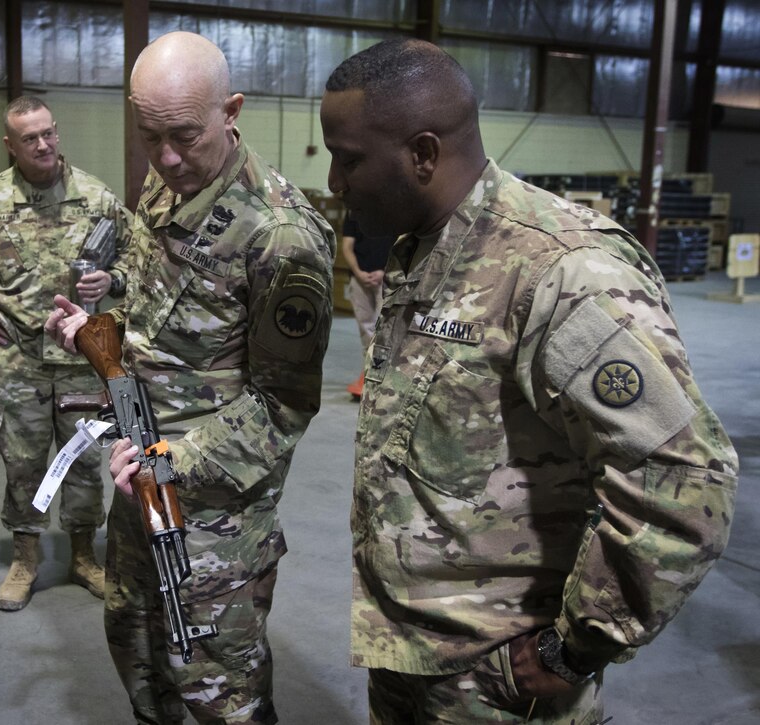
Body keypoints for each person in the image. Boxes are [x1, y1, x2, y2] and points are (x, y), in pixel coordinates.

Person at [320, 39, 739, 724]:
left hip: (499, 685)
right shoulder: (423, 248)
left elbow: (685, 478)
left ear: (423, 154)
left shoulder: (559, 273)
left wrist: (576, 645)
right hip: (410, 657)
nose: (336, 181)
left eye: (349, 158)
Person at [47, 31, 335, 725]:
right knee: (138, 652)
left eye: (184, 136)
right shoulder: (167, 181)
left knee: (215, 688)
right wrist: (96, 331)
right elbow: (154, 309)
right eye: (151, 137)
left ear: (231, 110)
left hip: (211, 510)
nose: (167, 158)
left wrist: (172, 459)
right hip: (135, 469)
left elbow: (283, 405)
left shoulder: (280, 238)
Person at [0, 95, 133, 610]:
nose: (43, 144)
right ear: (9, 145)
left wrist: (116, 278)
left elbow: (141, 258)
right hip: (18, 361)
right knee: (23, 462)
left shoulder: (97, 198)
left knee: (85, 462)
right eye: (29, 138)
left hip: (85, 360)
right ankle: (25, 558)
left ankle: (84, 555)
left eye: (49, 133)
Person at [339, 211, 392, 399]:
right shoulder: (355, 211)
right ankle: (370, 374)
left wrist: (384, 270)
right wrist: (358, 272)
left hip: (387, 278)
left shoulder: (393, 209)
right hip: (359, 279)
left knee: (386, 330)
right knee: (366, 330)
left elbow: (402, 244)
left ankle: (386, 377)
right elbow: (347, 246)